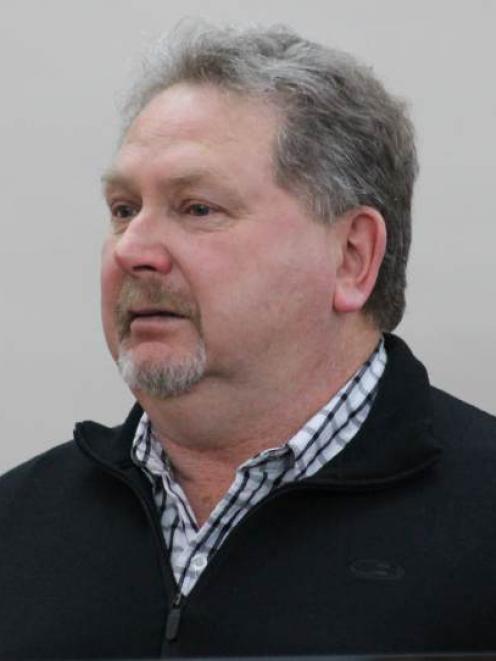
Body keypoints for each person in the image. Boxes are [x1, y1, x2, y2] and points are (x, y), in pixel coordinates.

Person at [1, 21, 495, 659]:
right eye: (124, 209)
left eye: (198, 208)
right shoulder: (17, 528)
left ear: (352, 257)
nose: (133, 250)